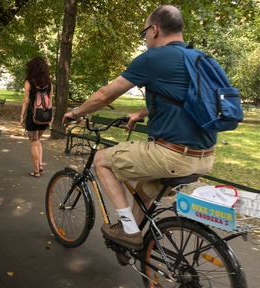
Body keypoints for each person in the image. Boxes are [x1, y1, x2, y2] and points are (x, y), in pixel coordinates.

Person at [62, 5, 216, 251]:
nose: (144, 38)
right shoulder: (199, 58)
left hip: (171, 155)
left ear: (154, 30)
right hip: (204, 157)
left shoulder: (154, 57)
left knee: (101, 160)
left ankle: (130, 231)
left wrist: (75, 113)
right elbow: (184, 100)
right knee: (144, 188)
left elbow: (104, 96)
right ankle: (128, 237)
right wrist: (141, 112)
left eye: (144, 32)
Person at [20, 57, 53, 178]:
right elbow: (50, 102)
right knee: (38, 140)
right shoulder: (49, 83)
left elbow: (25, 101)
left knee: (34, 142)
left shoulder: (29, 82)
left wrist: (21, 116)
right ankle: (39, 165)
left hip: (32, 117)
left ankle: (36, 171)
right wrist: (50, 119)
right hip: (45, 117)